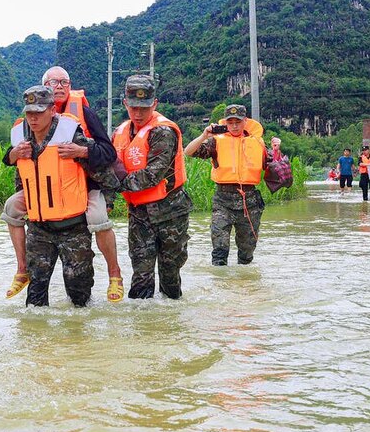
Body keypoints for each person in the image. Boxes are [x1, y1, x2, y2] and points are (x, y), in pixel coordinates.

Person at [1, 66, 123, 302]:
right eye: (54, 83)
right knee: (10, 208)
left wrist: (83, 152)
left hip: (82, 189)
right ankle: (21, 269)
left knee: (98, 220)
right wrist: (13, 155)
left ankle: (114, 274)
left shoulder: (79, 121)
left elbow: (107, 154)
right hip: (42, 206)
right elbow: (13, 163)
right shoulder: (21, 131)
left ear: (52, 110)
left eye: (63, 83)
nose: (59, 87)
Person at [112, 75, 192, 299]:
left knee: (170, 274)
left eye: (144, 108)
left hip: (170, 214)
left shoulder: (163, 132)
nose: (138, 113)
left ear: (154, 104)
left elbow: (152, 175)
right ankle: (142, 328)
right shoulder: (119, 132)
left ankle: (170, 326)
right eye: (134, 107)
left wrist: (114, 183)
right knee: (141, 275)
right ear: (125, 103)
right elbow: (107, 162)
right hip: (139, 214)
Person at [184, 104, 268, 266]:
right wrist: (204, 136)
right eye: (230, 122)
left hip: (249, 202)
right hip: (223, 201)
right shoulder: (215, 141)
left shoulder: (257, 142)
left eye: (238, 121)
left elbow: (273, 167)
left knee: (247, 252)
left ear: (245, 121)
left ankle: (243, 285)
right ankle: (220, 285)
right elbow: (188, 152)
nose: (234, 126)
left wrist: (276, 150)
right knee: (219, 249)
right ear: (225, 123)